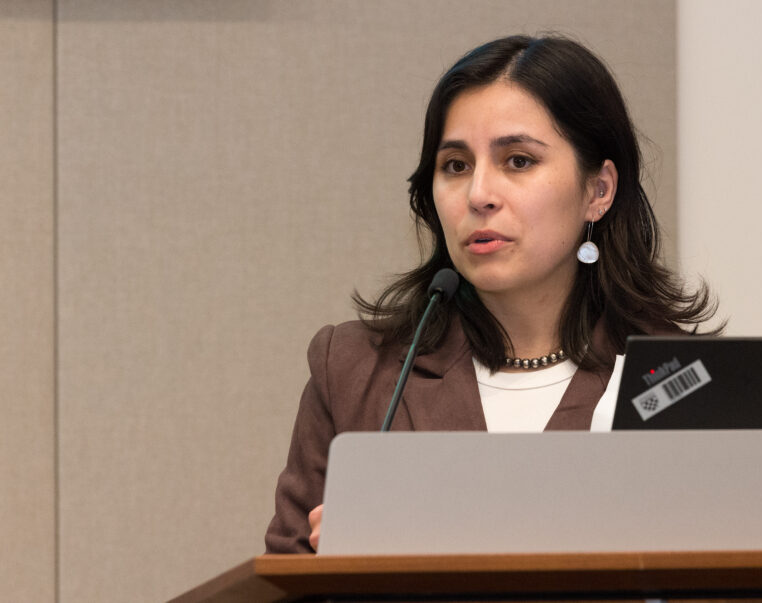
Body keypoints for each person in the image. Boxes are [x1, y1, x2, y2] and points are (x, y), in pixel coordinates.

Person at [265, 34, 718, 554]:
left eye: (518, 161)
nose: (478, 194)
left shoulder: (683, 384)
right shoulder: (356, 372)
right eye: (456, 165)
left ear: (599, 191)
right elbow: (284, 576)